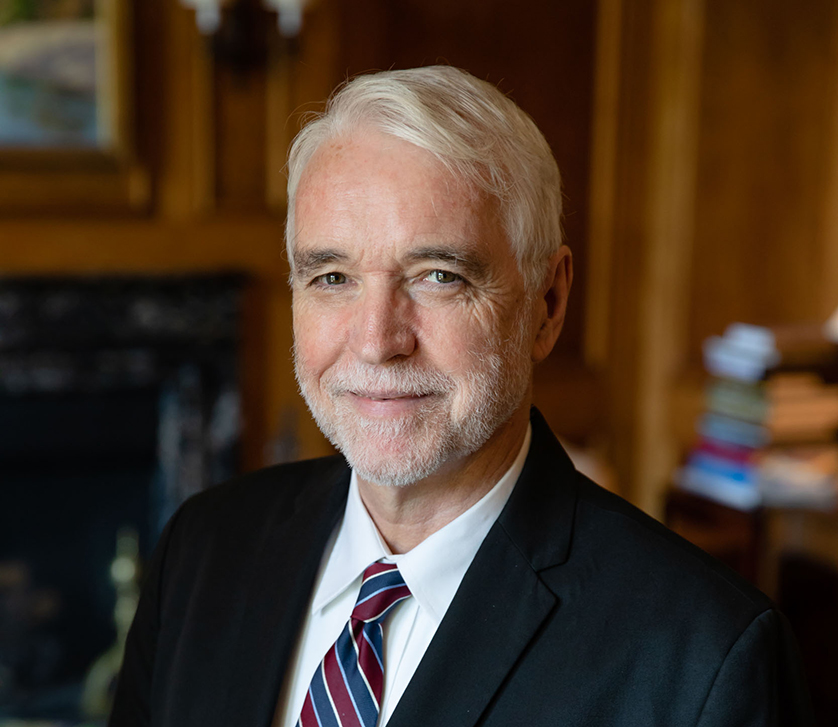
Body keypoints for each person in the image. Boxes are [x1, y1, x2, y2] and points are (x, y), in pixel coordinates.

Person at [109, 66, 813, 727]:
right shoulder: (201, 554)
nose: (377, 340)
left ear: (547, 301)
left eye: (438, 275)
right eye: (332, 277)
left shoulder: (703, 656)